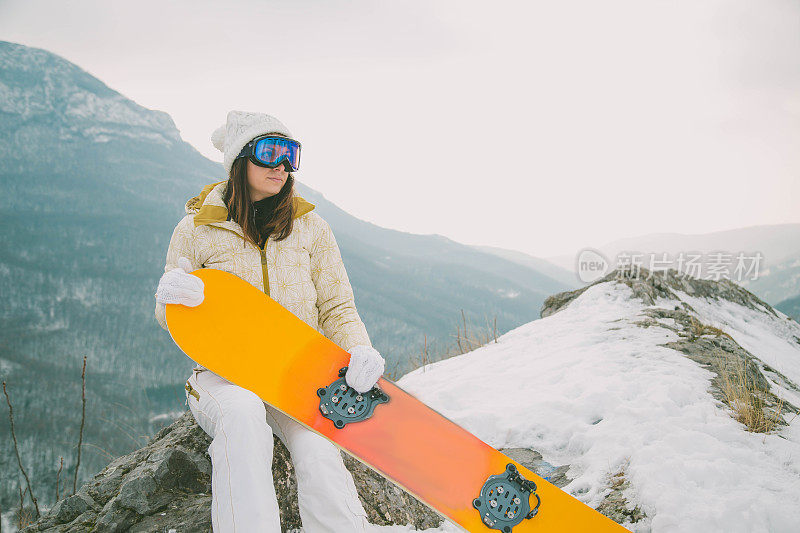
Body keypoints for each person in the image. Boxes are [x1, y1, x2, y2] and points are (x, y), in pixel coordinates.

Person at [153, 110, 385, 532]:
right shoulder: (196, 229)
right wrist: (173, 299)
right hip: (223, 374)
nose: (281, 166)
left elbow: (337, 306)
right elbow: (170, 311)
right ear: (240, 160)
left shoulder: (311, 228)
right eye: (269, 152)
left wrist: (358, 349)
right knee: (241, 415)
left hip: (296, 376)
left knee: (317, 445)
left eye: (290, 155)